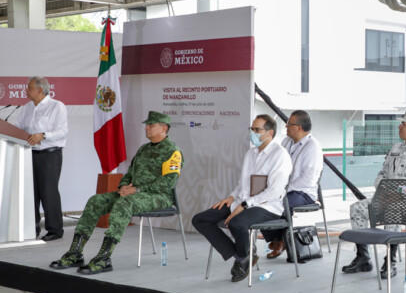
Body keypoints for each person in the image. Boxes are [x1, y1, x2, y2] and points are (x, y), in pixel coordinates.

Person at [49, 111, 182, 275]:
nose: (146, 128)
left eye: (151, 125)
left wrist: (136, 190)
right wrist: (124, 186)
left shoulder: (172, 151)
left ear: (163, 128)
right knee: (95, 201)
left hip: (159, 197)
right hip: (133, 193)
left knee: (124, 204)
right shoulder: (144, 149)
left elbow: (168, 182)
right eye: (147, 125)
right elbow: (129, 173)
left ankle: (104, 258)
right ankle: (75, 253)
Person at [192, 114, 292, 282]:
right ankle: (244, 254)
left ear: (270, 132)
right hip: (242, 202)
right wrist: (231, 197)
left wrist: (246, 204)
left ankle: (242, 258)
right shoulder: (251, 153)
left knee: (236, 222)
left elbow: (274, 192)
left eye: (257, 130)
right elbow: (242, 183)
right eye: (252, 129)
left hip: (268, 206)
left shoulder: (280, 155)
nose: (253, 133)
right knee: (200, 219)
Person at [342, 110, 406, 279]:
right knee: (357, 208)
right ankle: (363, 256)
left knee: (393, 209)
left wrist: (397, 193)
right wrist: (385, 191)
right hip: (386, 197)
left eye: (404, 125)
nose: (399, 127)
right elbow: (382, 174)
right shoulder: (396, 148)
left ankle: (390, 260)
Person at [14, 76, 68, 241]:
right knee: (31, 192)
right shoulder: (27, 107)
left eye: (29, 88)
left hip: (49, 154)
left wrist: (43, 135)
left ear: (40, 90)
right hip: (29, 154)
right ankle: (32, 228)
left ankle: (55, 230)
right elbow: (19, 127)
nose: (26, 90)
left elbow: (62, 131)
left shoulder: (56, 106)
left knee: (48, 191)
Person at [265, 110, 323, 260]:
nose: (286, 126)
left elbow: (308, 179)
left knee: (283, 202)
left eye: (289, 124)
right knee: (263, 200)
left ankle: (281, 241)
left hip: (304, 193)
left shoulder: (313, 146)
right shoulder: (286, 142)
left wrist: (283, 190)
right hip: (285, 189)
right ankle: (276, 239)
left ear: (298, 127)